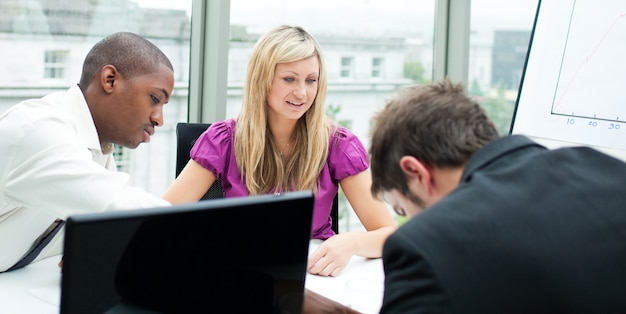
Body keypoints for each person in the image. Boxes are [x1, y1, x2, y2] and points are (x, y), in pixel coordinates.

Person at [306, 78, 626, 313]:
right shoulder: (603, 169)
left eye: (401, 208)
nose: (411, 222)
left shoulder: (426, 249)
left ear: (417, 173)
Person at [163, 25, 397, 277]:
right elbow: (159, 221)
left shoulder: (339, 144)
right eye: (289, 79)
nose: (302, 93)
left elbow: (390, 235)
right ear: (262, 80)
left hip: (313, 275)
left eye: (311, 80)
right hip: (240, 272)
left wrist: (352, 243)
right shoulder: (223, 141)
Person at [0, 32, 175, 272]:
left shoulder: (97, 149)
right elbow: (115, 207)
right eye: (154, 98)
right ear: (110, 79)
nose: (159, 119)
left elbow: (103, 228)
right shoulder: (38, 129)